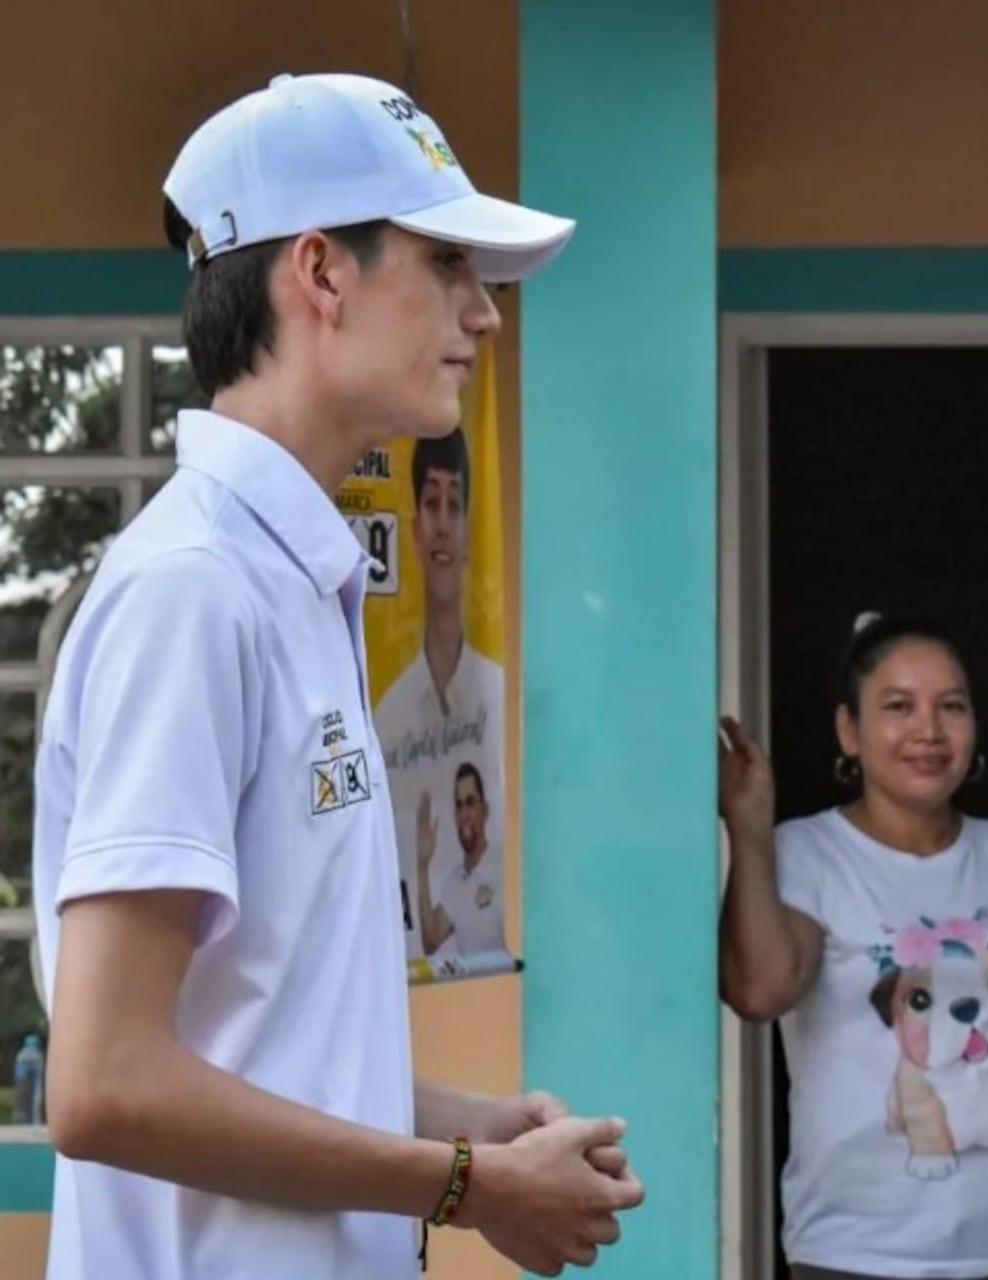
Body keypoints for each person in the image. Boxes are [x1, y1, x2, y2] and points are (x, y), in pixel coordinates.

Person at [32, 71, 642, 1280]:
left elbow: (254, 1035)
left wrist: (462, 1126)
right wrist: (465, 1183)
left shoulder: (292, 583)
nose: (484, 315)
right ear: (318, 271)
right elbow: (104, 1084)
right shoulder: (197, 589)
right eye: (446, 263)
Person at [717, 612, 988, 1280]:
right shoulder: (810, 854)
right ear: (850, 730)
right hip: (860, 1254)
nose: (929, 731)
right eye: (898, 707)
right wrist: (750, 827)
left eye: (951, 707)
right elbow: (760, 991)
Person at [374, 430, 506, 963]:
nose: (444, 523)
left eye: (455, 505)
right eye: (432, 504)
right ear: (414, 531)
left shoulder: (501, 695)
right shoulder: (387, 717)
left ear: (472, 529)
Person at [417, 763, 506, 959]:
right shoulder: (455, 881)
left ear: (485, 810)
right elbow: (430, 941)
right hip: (472, 981)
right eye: (459, 805)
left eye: (470, 802)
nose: (464, 814)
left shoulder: (504, 866)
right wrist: (422, 864)